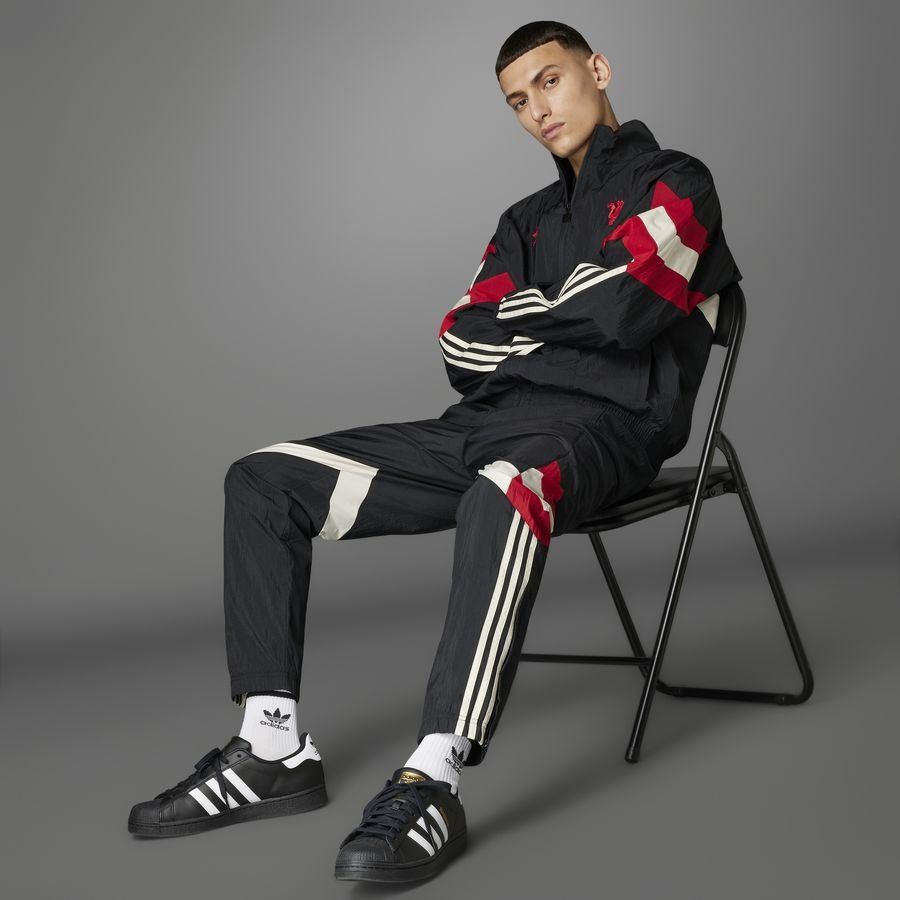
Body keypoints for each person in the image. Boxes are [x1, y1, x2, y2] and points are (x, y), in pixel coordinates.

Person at [127, 19, 742, 883]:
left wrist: (530, 324)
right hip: (481, 425)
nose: (538, 110)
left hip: (604, 433)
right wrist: (565, 321)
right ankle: (271, 750)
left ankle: (433, 777)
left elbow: (625, 308)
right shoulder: (525, 220)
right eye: (518, 101)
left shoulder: (678, 183)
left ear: (598, 70)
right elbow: (460, 342)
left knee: (503, 488)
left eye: (551, 81)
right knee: (262, 481)